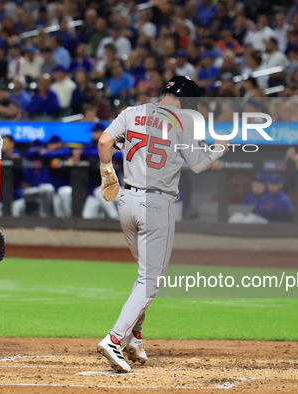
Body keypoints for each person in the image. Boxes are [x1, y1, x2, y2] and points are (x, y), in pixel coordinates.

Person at [95, 76, 229, 372]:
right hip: (157, 204)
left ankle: (133, 337)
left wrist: (106, 169)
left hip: (126, 201)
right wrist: (219, 149)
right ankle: (115, 339)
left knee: (144, 276)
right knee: (150, 280)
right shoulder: (186, 122)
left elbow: (104, 142)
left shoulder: (133, 112)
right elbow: (197, 165)